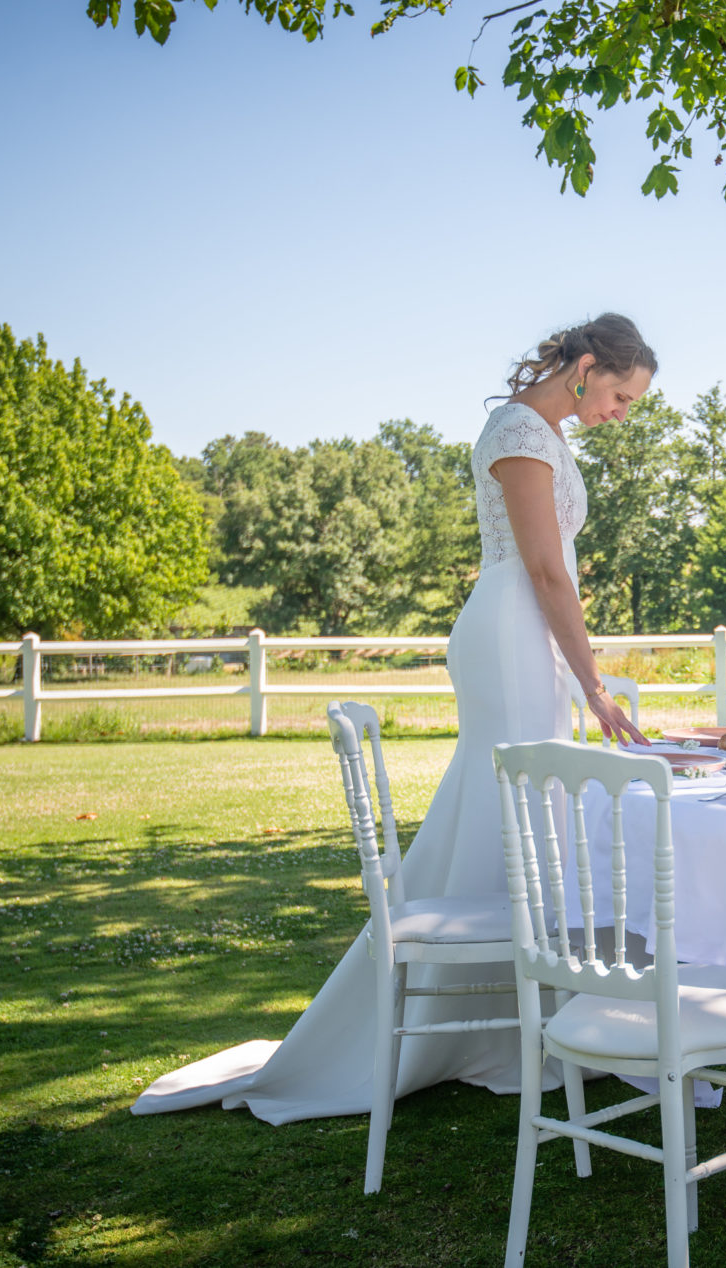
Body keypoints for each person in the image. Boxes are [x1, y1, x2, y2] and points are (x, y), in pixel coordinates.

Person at [132, 315, 655, 1123]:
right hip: (514, 635)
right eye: (622, 395)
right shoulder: (518, 429)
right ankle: (499, 1022)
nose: (624, 413)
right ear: (587, 368)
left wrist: (577, 670)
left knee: (522, 811)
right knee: (516, 802)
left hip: (532, 636)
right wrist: (593, 685)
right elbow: (546, 571)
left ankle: (528, 1018)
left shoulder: (550, 432)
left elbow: (557, 573)